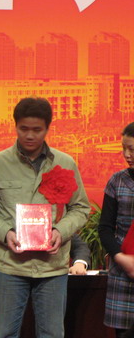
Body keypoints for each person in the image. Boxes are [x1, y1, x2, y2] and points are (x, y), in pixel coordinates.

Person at [0, 97, 90, 337]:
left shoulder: (65, 163)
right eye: (24, 129)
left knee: (52, 334)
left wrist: (60, 231)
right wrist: (6, 232)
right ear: (15, 126)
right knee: (4, 334)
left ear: (47, 128)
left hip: (52, 267)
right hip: (10, 265)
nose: (29, 135)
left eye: (37, 130)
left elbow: (81, 208)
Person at [98, 122, 134, 337]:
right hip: (123, 272)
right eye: (124, 148)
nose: (127, 155)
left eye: (132, 149)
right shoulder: (117, 181)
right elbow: (104, 228)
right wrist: (121, 258)